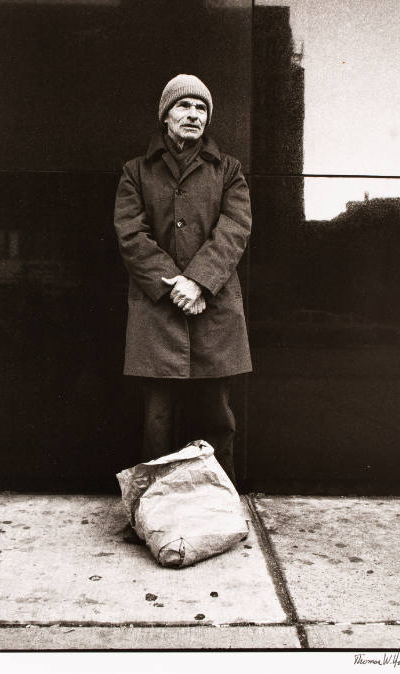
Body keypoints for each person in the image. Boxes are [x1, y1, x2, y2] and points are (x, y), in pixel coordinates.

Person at [114, 74, 252, 505]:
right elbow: (130, 234)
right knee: (157, 422)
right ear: (166, 115)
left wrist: (198, 282)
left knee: (217, 419)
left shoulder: (228, 169)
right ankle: (153, 511)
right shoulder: (135, 171)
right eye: (184, 106)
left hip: (213, 309)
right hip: (158, 312)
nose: (193, 115)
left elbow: (234, 229)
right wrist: (170, 284)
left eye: (201, 109)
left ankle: (220, 508)